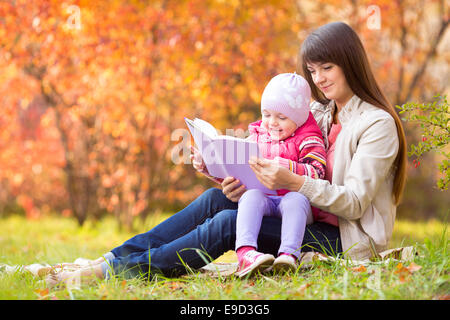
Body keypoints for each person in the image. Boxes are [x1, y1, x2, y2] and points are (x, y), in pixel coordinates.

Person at [46, 21, 407, 286]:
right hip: (303, 214)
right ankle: (112, 257)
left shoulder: (377, 124)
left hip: (346, 239)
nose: (320, 79)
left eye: (327, 68)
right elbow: (271, 154)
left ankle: (118, 272)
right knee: (213, 201)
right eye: (313, 71)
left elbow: (356, 203)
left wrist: (294, 181)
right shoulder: (318, 114)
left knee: (228, 224)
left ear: (350, 63)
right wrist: (227, 173)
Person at [229, 73, 328, 277]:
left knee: (295, 200)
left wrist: (285, 167)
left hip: (293, 201)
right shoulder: (257, 135)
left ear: (298, 118)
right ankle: (246, 254)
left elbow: (317, 171)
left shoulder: (308, 138)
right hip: (265, 197)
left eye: (281, 117)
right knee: (250, 197)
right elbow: (236, 168)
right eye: (266, 115)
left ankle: (289, 255)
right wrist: (210, 167)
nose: (272, 122)